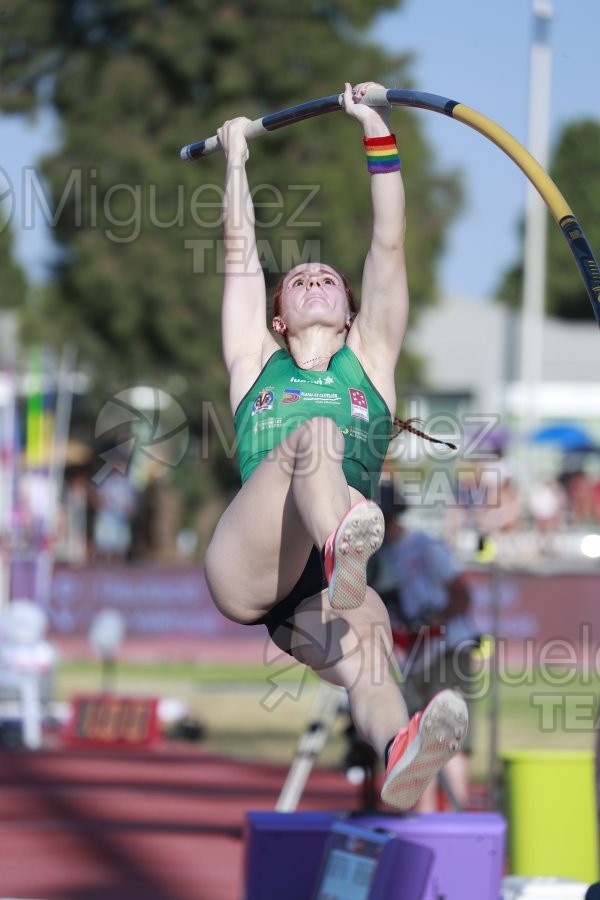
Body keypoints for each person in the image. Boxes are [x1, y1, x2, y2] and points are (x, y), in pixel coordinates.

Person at [203, 81, 468, 811]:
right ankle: (341, 551)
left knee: (372, 653)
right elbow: (237, 254)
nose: (315, 277)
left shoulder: (371, 362)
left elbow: (388, 241)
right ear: (279, 318)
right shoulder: (256, 364)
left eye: (328, 277)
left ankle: (400, 753)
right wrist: (234, 161)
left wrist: (375, 128)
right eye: (298, 279)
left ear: (352, 311)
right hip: (251, 563)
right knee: (311, 438)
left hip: (319, 596)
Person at [371, 482, 478, 811]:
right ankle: (425, 820)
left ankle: (457, 822)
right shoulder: (380, 559)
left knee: (449, 742)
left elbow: (462, 595)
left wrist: (432, 620)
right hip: (414, 660)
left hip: (448, 651)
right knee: (419, 745)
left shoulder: (425, 547)